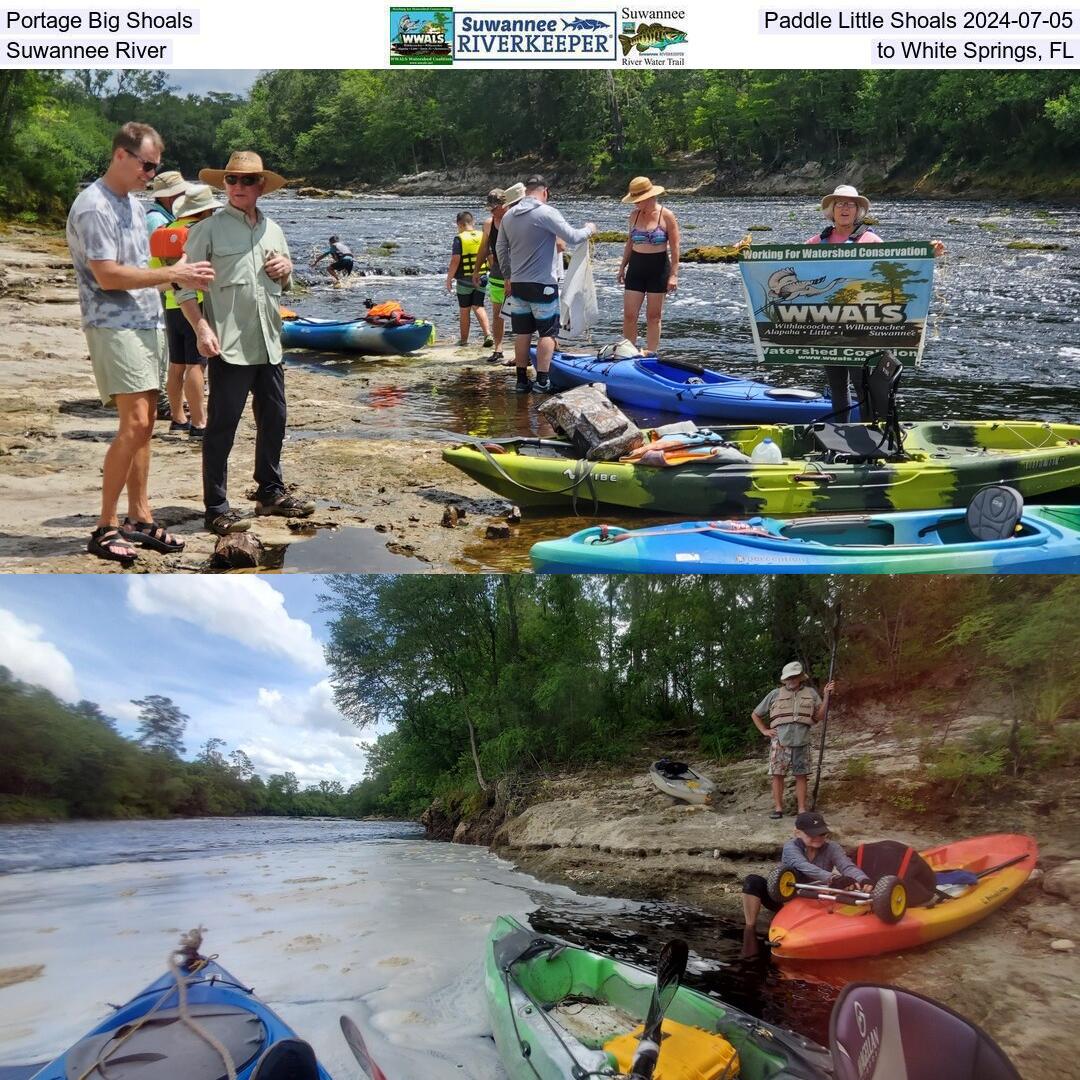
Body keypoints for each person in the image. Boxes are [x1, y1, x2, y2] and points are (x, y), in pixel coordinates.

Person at [66, 122, 215, 563]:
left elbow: (141, 264)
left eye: (156, 167)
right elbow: (107, 275)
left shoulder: (131, 202)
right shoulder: (94, 206)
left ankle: (140, 517)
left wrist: (178, 265)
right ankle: (105, 527)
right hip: (114, 325)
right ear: (121, 156)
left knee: (147, 424)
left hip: (146, 322)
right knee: (133, 425)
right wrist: (172, 274)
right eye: (147, 165)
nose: (151, 174)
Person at [176, 151, 314, 537]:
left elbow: (285, 280)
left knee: (275, 420)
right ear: (224, 185)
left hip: (269, 343)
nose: (238, 187)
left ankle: (270, 492)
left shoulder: (274, 229)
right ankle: (216, 509)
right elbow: (184, 291)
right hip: (229, 347)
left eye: (247, 181)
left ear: (260, 187)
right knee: (222, 428)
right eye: (232, 180)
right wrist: (202, 329)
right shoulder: (208, 229)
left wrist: (288, 270)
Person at [808, 184, 945, 420]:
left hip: (862, 325)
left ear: (857, 211)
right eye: (839, 203)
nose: (844, 208)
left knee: (862, 385)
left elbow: (899, 263)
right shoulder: (815, 241)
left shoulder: (870, 239)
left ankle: (869, 436)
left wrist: (927, 252)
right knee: (837, 386)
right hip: (828, 325)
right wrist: (746, 254)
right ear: (831, 209)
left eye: (850, 204)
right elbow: (786, 264)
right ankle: (841, 435)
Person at [496, 175, 596, 394]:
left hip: (519, 284)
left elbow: (501, 250)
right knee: (547, 333)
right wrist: (589, 229)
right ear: (545, 192)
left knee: (522, 334)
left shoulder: (509, 216)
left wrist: (508, 276)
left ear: (525, 192)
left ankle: (521, 381)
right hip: (543, 285)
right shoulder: (546, 212)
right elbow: (572, 237)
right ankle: (542, 380)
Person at [150, 184, 221, 439]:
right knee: (196, 365)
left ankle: (178, 418)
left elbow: (156, 273)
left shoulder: (164, 230)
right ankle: (199, 422)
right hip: (196, 304)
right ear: (204, 212)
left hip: (170, 303)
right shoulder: (200, 232)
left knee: (176, 363)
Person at [742, 811, 870, 928]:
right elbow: (805, 867)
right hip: (786, 896)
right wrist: (834, 878)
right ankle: (749, 928)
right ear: (797, 833)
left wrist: (863, 879)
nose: (818, 837)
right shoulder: (790, 847)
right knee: (752, 882)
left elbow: (846, 866)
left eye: (822, 833)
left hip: (816, 896)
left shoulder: (832, 847)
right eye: (812, 834)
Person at [751, 661, 834, 818]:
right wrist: (764, 730)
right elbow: (755, 714)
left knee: (801, 774)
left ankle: (802, 810)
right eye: (789, 677)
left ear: (800, 677)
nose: (791, 680)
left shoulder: (810, 693)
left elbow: (820, 716)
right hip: (779, 740)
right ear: (784, 679)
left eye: (794, 676)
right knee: (777, 774)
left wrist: (827, 696)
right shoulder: (775, 694)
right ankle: (778, 809)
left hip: (802, 740)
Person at [144, 170, 194, 418]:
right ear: (169, 196)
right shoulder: (157, 220)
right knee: (174, 353)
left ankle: (172, 402)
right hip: (166, 291)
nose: (185, 194)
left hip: (165, 288)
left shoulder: (165, 216)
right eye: (181, 191)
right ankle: (168, 404)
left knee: (173, 353)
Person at [618, 176, 680, 355]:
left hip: (658, 268)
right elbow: (630, 242)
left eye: (638, 200)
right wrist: (622, 266)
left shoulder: (666, 215)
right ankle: (628, 351)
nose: (635, 204)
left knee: (653, 316)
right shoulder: (634, 215)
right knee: (630, 315)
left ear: (649, 197)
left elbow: (675, 247)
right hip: (636, 267)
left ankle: (651, 352)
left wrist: (674, 274)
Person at [473, 187, 516, 364]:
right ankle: (498, 348)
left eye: (495, 208)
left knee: (522, 313)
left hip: (518, 272)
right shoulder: (489, 223)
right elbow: (484, 248)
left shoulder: (514, 220)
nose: (492, 211)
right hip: (497, 272)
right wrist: (476, 270)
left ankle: (523, 351)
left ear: (505, 205)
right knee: (498, 313)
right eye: (490, 209)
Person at [446, 211, 494, 348]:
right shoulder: (482, 235)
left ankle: (464, 340)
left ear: (459, 224)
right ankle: (487, 334)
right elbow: (490, 256)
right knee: (479, 305)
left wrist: (449, 278)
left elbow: (455, 260)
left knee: (464, 310)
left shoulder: (459, 238)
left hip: (464, 279)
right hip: (482, 277)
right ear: (472, 222)